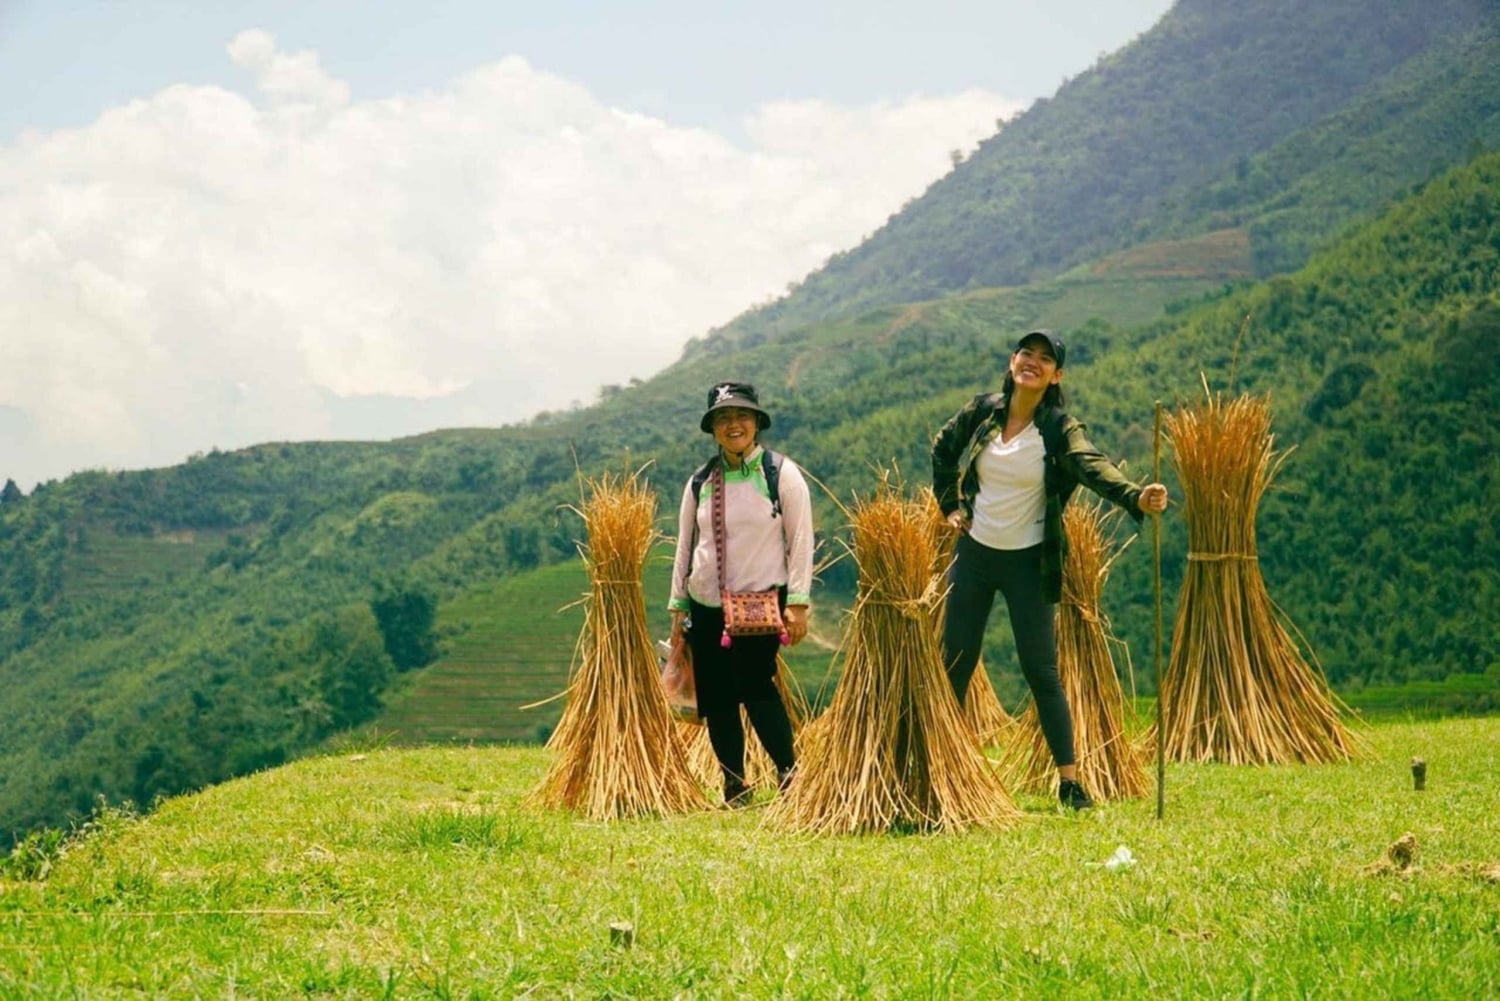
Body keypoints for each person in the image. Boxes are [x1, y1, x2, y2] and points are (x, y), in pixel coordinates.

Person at [931, 330, 1169, 810]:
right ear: (1013, 360)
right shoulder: (984, 412)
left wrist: (1134, 495)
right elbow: (943, 447)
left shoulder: (1059, 428)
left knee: (1040, 670)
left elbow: (1090, 464)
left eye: (1045, 359)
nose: (1032, 363)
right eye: (1027, 354)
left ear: (1056, 375)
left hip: (1028, 562)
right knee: (955, 661)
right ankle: (944, 768)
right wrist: (950, 505)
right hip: (975, 555)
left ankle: (1070, 782)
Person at [669, 381, 815, 807]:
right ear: (713, 428)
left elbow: (801, 538)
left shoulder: (779, 474)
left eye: (741, 416)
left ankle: (789, 774)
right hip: (705, 603)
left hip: (759, 604)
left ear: (756, 423)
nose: (733, 425)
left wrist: (799, 602)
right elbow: (684, 544)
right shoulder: (700, 482)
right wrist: (678, 605)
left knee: (756, 686)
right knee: (716, 696)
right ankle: (734, 784)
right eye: (723, 418)